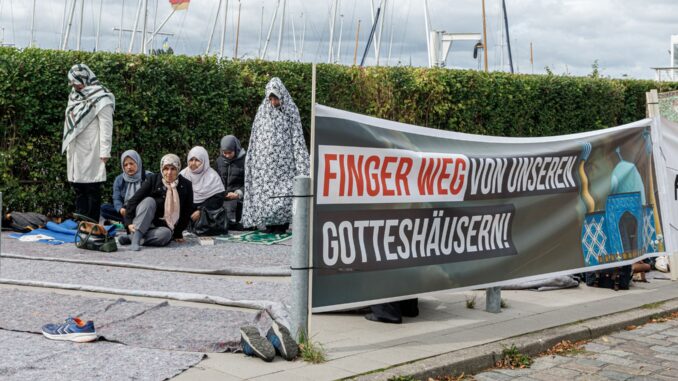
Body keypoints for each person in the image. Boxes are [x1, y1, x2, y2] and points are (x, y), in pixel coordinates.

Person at [241, 77, 310, 233]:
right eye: (270, 98)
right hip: (265, 166)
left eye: (276, 98)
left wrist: (302, 165)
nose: (273, 102)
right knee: (266, 196)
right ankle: (268, 224)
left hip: (284, 165)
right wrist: (253, 159)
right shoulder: (262, 111)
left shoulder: (291, 111)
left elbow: (297, 138)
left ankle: (282, 224)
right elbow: (255, 136)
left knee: (283, 195)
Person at [62, 63, 115, 222]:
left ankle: (91, 222)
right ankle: (81, 221)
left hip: (93, 149)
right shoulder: (74, 95)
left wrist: (105, 151)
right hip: (76, 147)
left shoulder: (102, 97)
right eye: (71, 82)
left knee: (92, 186)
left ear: (85, 78)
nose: (74, 85)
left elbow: (106, 126)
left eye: (76, 81)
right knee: (78, 186)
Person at [120, 154, 193, 251]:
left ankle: (132, 238)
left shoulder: (186, 185)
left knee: (166, 235)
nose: (169, 172)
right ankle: (136, 238)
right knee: (149, 201)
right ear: (162, 169)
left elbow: (186, 212)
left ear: (178, 169)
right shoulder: (153, 179)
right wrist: (128, 223)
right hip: (144, 219)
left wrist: (178, 233)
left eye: (173, 169)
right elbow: (134, 200)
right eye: (166, 169)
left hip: (160, 227)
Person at [180, 146, 225, 232]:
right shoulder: (183, 175)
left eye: (197, 160)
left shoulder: (212, 176)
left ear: (204, 161)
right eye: (191, 160)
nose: (193, 163)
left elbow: (218, 198)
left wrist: (201, 211)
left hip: (206, 219)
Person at [100, 150, 150, 224]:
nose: (129, 167)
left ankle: (132, 221)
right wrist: (120, 209)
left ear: (138, 162)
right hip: (126, 210)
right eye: (125, 165)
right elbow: (116, 198)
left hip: (142, 209)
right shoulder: (119, 179)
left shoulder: (148, 177)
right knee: (104, 208)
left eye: (131, 163)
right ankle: (132, 220)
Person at [216, 135, 246, 229]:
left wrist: (238, 193)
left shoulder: (245, 160)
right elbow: (216, 181)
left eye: (230, 152)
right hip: (223, 199)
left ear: (236, 149)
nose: (227, 155)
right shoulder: (219, 161)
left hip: (240, 199)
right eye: (225, 153)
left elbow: (250, 183)